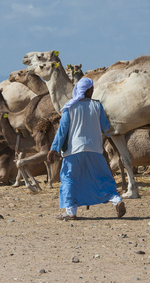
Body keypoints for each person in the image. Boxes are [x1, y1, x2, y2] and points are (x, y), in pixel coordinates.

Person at [47, 77, 126, 220]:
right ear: (89, 90)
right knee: (102, 177)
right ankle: (116, 200)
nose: (93, 90)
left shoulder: (69, 107)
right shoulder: (97, 106)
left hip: (73, 151)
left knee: (69, 179)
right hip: (95, 149)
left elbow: (62, 131)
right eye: (92, 89)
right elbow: (106, 128)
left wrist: (54, 149)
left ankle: (71, 212)